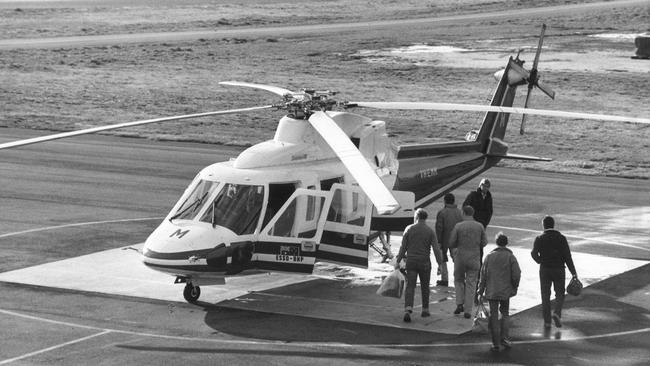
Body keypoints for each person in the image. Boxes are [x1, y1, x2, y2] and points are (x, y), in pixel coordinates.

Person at [531, 215, 578, 329]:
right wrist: (573, 272)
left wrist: (540, 261)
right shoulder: (561, 238)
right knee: (560, 293)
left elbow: (533, 253)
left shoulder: (539, 238)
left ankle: (547, 322)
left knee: (545, 295)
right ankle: (557, 313)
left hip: (545, 269)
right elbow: (568, 256)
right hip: (559, 269)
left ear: (543, 225)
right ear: (553, 225)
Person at [394, 208, 442, 322]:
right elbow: (436, 249)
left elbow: (403, 247)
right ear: (425, 218)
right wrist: (440, 264)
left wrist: (398, 261)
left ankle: (408, 308)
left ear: (416, 217)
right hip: (425, 262)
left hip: (411, 262)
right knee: (425, 286)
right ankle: (425, 309)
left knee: (410, 285)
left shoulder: (409, 229)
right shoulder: (430, 231)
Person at [477, 233, 521, 352]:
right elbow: (516, 273)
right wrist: (514, 286)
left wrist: (480, 291)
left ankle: (495, 343)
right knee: (505, 313)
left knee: (494, 315)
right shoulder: (510, 257)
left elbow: (483, 275)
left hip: (492, 290)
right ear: (506, 243)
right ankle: (505, 338)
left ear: (496, 243)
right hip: (505, 291)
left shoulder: (489, 257)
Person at [449, 205, 487, 318]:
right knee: (471, 283)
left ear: (463, 213)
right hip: (474, 257)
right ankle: (468, 310)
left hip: (460, 257)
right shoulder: (479, 226)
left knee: (458, 280)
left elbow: (451, 242)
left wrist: (457, 247)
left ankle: (459, 303)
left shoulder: (458, 226)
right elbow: (484, 242)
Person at [435, 193, 463, 287]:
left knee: (442, 259)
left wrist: (438, 241)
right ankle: (459, 279)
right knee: (457, 260)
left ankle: (444, 279)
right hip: (457, 240)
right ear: (453, 201)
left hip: (445, 239)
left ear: (445, 201)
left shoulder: (442, 212)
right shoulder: (459, 212)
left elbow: (439, 228)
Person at [463, 178, 493, 263]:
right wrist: (470, 219)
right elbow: (465, 206)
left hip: (481, 226)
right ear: (480, 185)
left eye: (487, 186)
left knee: (480, 248)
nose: (485, 188)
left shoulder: (489, 197)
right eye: (484, 185)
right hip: (471, 224)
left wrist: (485, 224)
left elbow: (490, 212)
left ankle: (478, 268)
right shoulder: (473, 195)